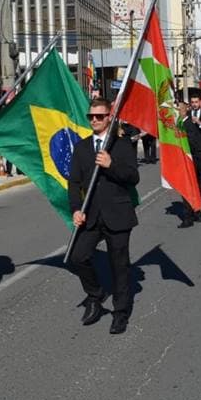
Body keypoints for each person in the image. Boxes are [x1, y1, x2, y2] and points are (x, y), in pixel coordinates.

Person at [67, 98, 140, 335]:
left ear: (109, 117)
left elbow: (133, 177)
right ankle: (96, 295)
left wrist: (111, 165)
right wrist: (76, 209)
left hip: (117, 214)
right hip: (91, 215)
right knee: (77, 257)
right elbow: (73, 183)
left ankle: (120, 312)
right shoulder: (81, 147)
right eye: (91, 116)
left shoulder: (121, 145)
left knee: (119, 266)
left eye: (100, 116)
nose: (95, 120)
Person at [177, 101, 201, 227]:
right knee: (191, 188)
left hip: (190, 160)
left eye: (178, 109)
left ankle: (188, 218)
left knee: (186, 189)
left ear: (184, 110)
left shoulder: (189, 123)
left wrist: (179, 140)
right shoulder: (180, 123)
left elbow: (192, 141)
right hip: (184, 159)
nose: (177, 111)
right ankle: (197, 214)